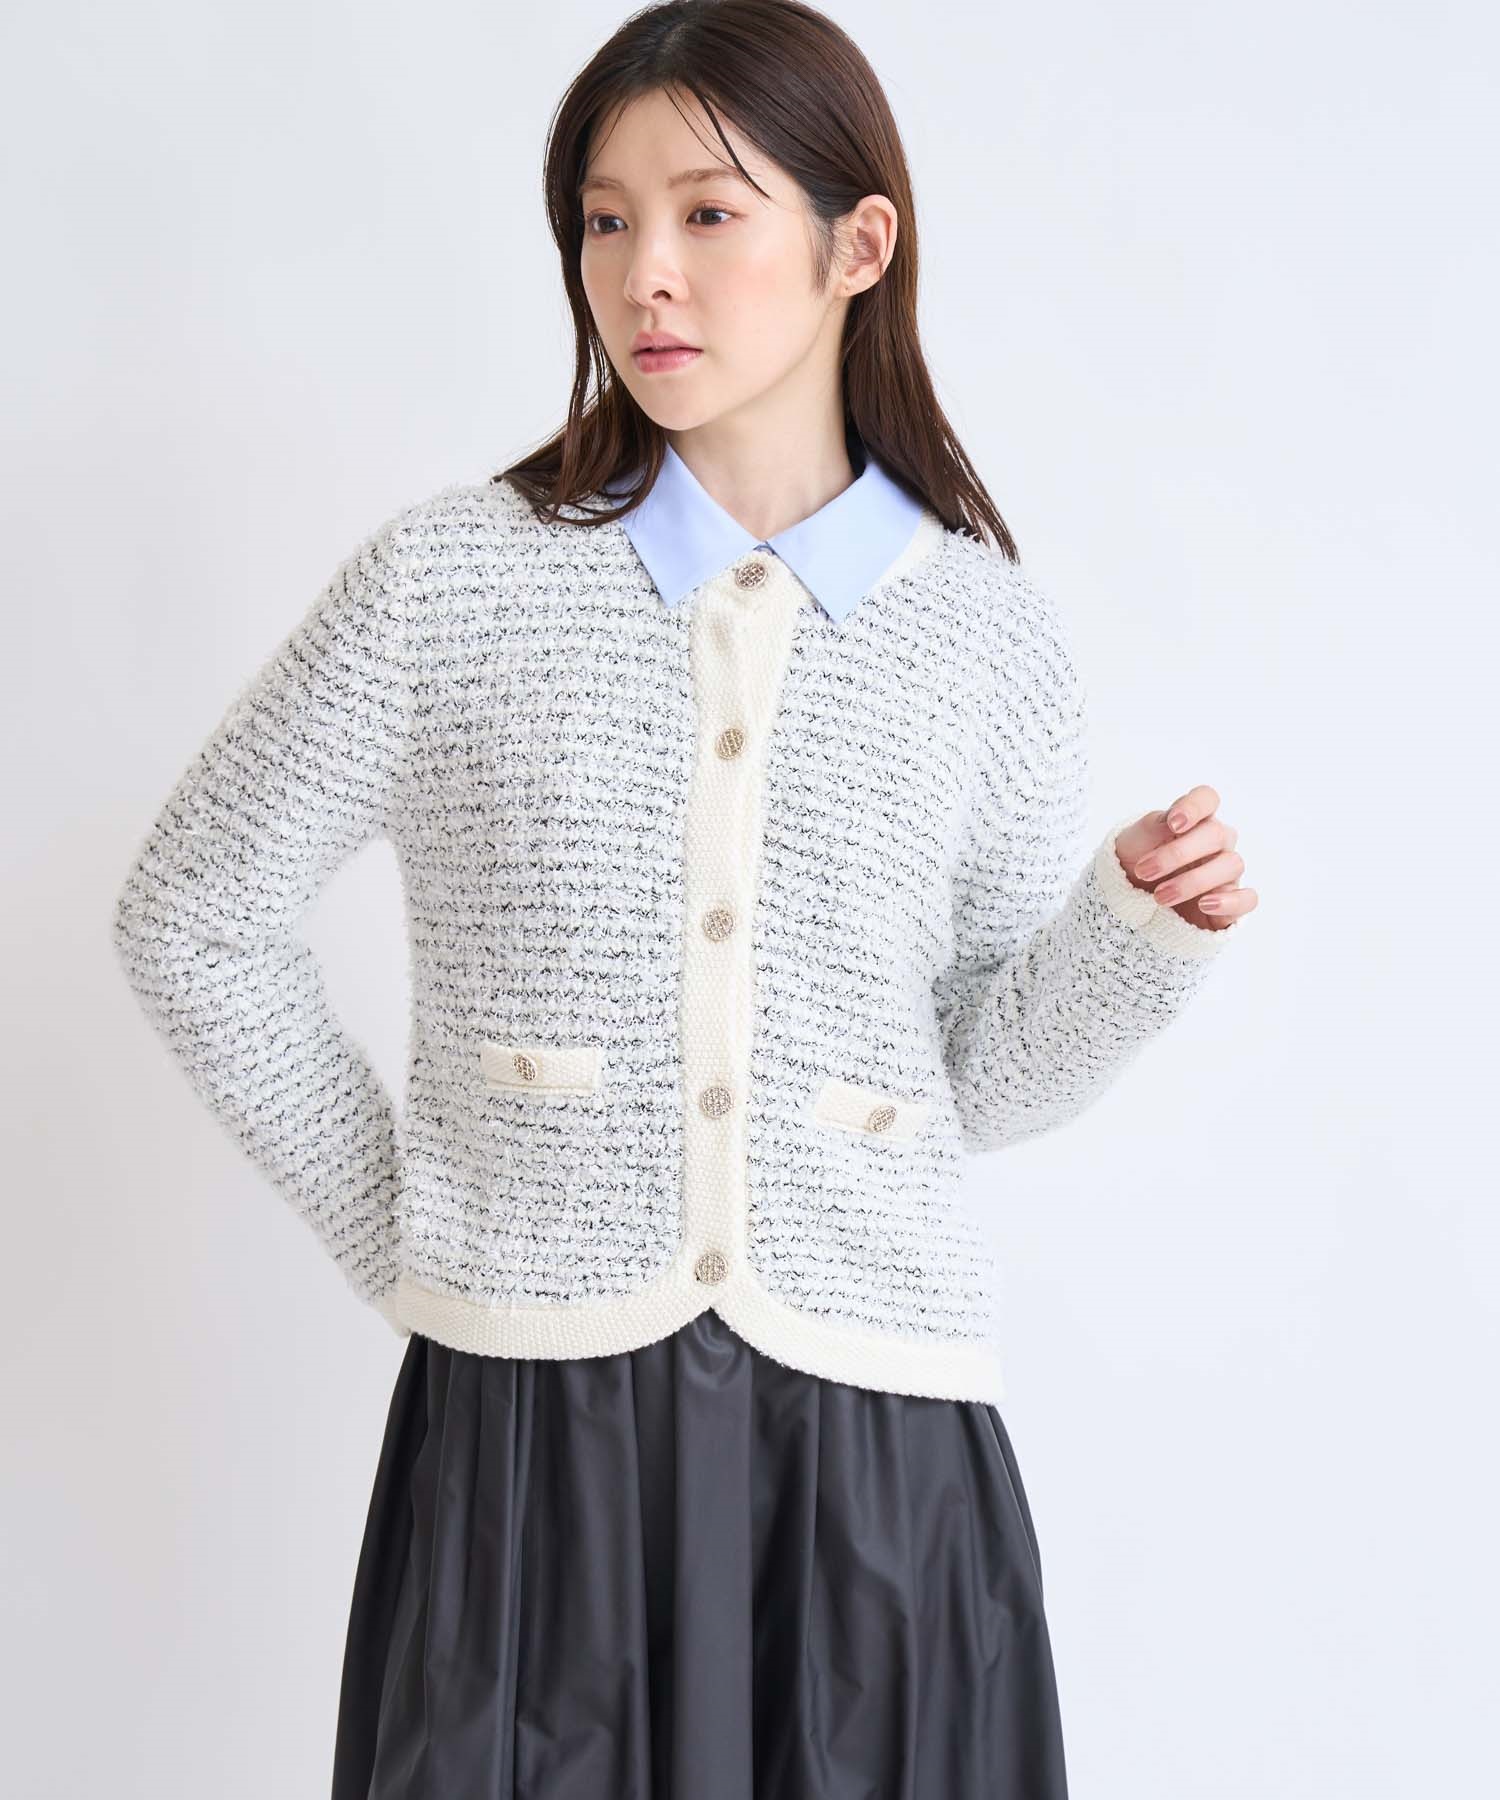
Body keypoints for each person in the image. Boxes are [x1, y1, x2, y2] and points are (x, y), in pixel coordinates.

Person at [111, 3, 1256, 1794]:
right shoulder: (450, 583)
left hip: (874, 1457)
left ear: (857, 246)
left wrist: (1131, 942)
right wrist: (415, 1231)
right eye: (604, 219)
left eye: (709, 214)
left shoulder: (988, 640)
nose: (643, 273)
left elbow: (975, 1081)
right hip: (533, 1435)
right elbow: (194, 911)